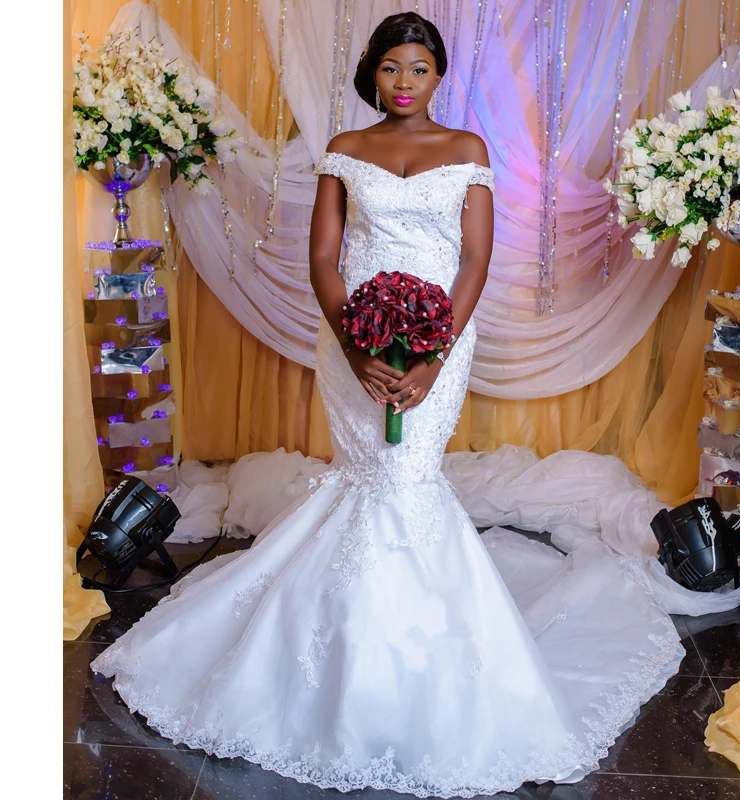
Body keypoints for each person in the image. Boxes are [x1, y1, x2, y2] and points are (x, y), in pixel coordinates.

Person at [92, 13, 686, 797]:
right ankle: (333, 652)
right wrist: (356, 346)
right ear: (373, 73)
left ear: (438, 77)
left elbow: (474, 258)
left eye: (420, 69)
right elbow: (322, 257)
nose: (405, 83)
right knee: (368, 474)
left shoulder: (468, 151)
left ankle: (416, 658)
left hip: (443, 336)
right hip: (352, 339)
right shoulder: (346, 148)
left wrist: (434, 356)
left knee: (409, 478)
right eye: (392, 69)